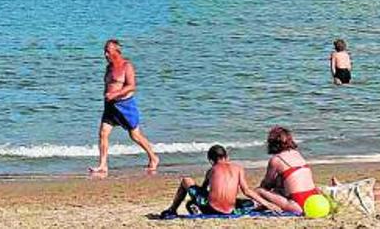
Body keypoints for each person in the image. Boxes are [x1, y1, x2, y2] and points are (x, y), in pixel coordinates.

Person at [89, 39, 159, 177]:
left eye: (108, 51)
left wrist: (115, 93)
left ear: (116, 51)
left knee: (135, 135)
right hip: (110, 106)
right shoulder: (108, 67)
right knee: (103, 133)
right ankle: (103, 165)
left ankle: (153, 157)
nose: (105, 54)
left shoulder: (127, 66)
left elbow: (131, 86)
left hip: (125, 106)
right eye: (105, 51)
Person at [159, 145, 282, 218]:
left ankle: (172, 209)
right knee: (250, 203)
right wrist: (267, 203)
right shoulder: (238, 168)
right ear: (226, 156)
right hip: (231, 210)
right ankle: (260, 206)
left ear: (211, 160)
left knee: (186, 180)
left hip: (211, 208)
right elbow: (247, 191)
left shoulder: (212, 170)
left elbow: (202, 190)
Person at [256, 126, 321, 214]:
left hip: (298, 204)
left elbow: (267, 184)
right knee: (282, 181)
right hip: (314, 199)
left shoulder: (276, 159)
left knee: (259, 191)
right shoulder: (296, 153)